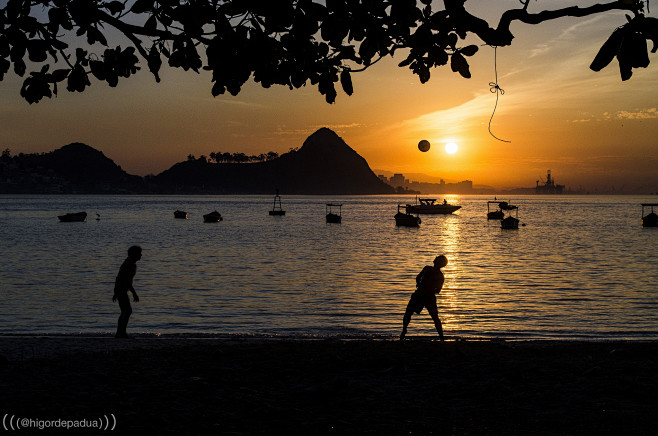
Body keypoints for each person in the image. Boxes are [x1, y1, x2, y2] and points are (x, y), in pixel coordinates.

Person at [400, 255, 448, 341]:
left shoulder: (432, 271)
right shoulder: (436, 273)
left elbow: (418, 278)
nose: (435, 258)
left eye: (437, 258)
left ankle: (404, 330)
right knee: (434, 317)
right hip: (425, 295)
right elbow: (437, 289)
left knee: (409, 312)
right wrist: (422, 285)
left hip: (423, 295)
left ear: (439, 262)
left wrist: (421, 285)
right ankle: (441, 337)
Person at [112, 245, 142, 338]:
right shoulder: (129, 264)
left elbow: (119, 277)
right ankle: (121, 333)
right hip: (121, 289)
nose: (141, 255)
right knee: (127, 311)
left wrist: (115, 291)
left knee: (125, 311)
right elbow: (125, 280)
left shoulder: (128, 263)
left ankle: (120, 333)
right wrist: (134, 293)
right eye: (139, 253)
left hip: (120, 289)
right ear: (134, 254)